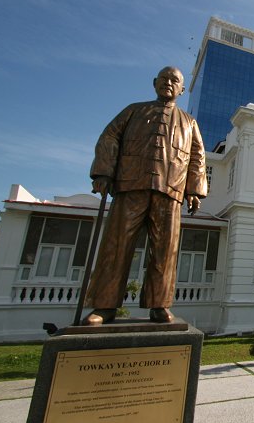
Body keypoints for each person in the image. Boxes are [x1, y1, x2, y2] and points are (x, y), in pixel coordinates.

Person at [82, 66, 207, 325]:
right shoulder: (134, 111)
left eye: (175, 81)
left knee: (165, 251)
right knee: (116, 246)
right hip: (131, 185)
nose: (169, 83)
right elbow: (109, 137)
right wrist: (104, 172)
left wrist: (194, 190)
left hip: (170, 190)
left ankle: (159, 304)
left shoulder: (188, 122)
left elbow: (197, 157)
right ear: (154, 83)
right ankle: (104, 306)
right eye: (164, 79)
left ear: (182, 89)